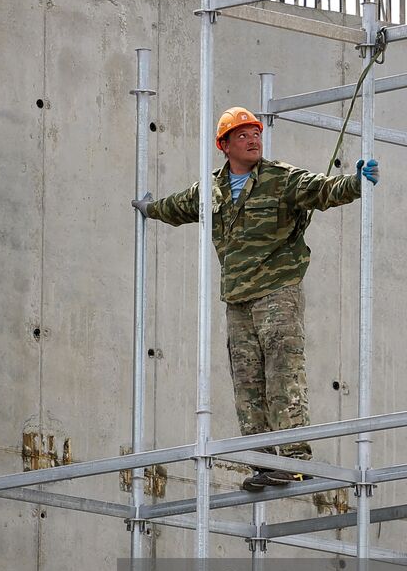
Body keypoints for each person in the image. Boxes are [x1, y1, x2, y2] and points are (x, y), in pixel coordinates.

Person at [133, 107, 379, 492]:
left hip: (277, 290)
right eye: (243, 134)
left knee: (283, 371)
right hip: (238, 297)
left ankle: (295, 460)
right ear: (225, 145)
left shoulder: (281, 179)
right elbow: (176, 207)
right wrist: (149, 208)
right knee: (247, 381)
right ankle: (263, 460)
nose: (253, 139)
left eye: (255, 133)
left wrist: (356, 182)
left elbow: (323, 189)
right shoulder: (211, 189)